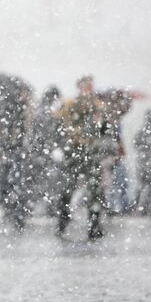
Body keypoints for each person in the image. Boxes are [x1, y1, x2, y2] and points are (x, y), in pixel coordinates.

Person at [56, 75, 112, 240]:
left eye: (90, 86)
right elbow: (59, 126)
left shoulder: (98, 106)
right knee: (68, 189)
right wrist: (60, 145)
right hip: (74, 151)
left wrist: (100, 123)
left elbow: (106, 131)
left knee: (95, 190)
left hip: (92, 153)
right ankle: (62, 223)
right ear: (79, 88)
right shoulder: (69, 105)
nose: (89, 89)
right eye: (86, 86)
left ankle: (94, 225)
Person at [134, 109, 151, 215]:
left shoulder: (145, 131)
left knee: (145, 187)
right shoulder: (145, 131)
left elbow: (136, 142)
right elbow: (136, 142)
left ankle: (142, 207)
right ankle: (142, 207)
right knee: (146, 186)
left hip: (147, 164)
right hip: (147, 164)